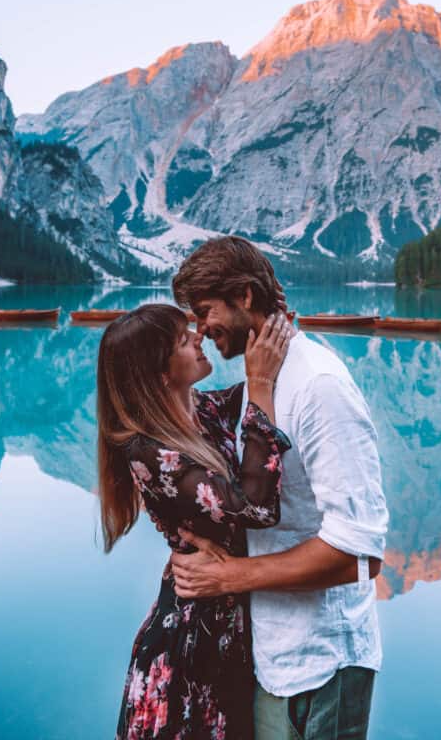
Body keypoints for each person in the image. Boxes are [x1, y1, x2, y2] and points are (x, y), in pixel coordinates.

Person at [171, 237, 389, 740]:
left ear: (246, 296)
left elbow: (360, 555)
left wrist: (228, 578)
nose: (201, 330)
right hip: (275, 656)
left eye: (205, 312)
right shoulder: (259, 379)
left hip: (322, 666)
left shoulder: (320, 386)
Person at [97, 303, 292, 739]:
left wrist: (265, 329)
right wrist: (260, 384)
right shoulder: (147, 451)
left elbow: (268, 386)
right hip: (189, 645)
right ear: (161, 373)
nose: (198, 338)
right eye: (185, 340)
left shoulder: (202, 409)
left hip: (223, 624)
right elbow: (257, 507)